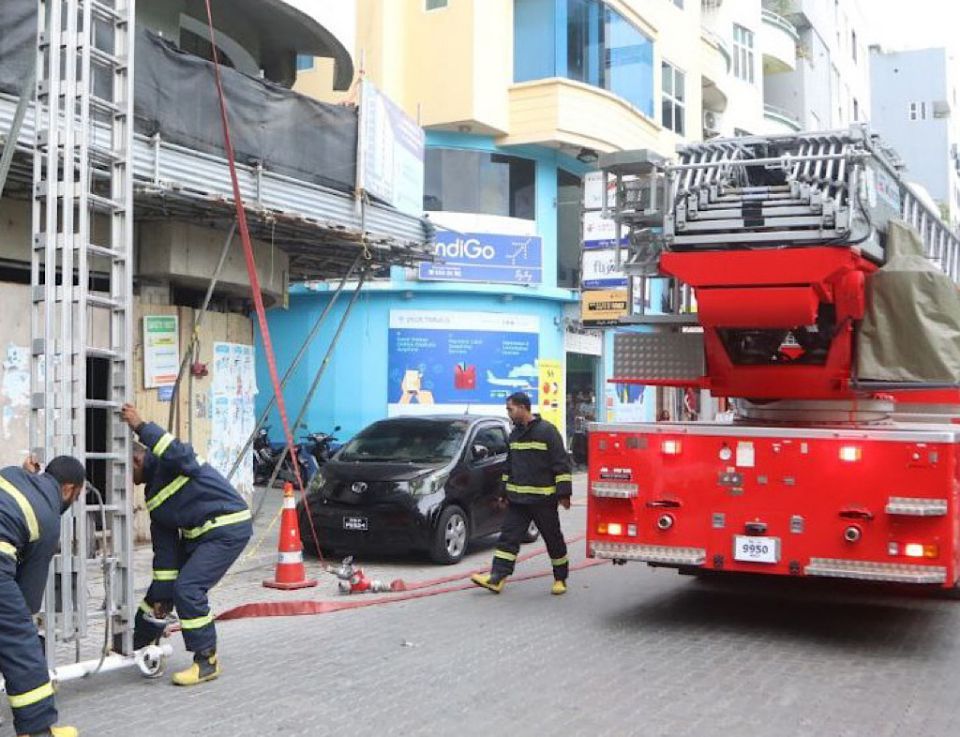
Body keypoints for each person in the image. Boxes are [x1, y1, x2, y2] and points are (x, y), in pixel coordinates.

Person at [121, 404, 252, 687]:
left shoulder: (171, 461)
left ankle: (207, 661)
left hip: (228, 527)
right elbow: (165, 553)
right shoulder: (153, 496)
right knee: (161, 591)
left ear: (135, 460)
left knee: (189, 590)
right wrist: (161, 596)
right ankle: (136, 646)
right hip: (202, 536)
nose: (127, 483)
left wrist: (142, 427)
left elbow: (183, 454)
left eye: (124, 475)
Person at [0, 453, 86, 737]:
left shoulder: (12, 473)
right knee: (21, 639)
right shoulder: (48, 518)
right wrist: (26, 625)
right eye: (75, 497)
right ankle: (37, 730)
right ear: (69, 489)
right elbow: (26, 599)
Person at [471, 391, 572, 595]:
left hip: (543, 500)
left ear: (524, 408)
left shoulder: (547, 432)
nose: (508, 413)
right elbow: (509, 466)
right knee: (507, 538)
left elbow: (561, 465)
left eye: (510, 409)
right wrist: (503, 492)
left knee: (553, 539)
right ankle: (497, 578)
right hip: (518, 501)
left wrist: (564, 494)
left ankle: (560, 578)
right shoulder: (514, 434)